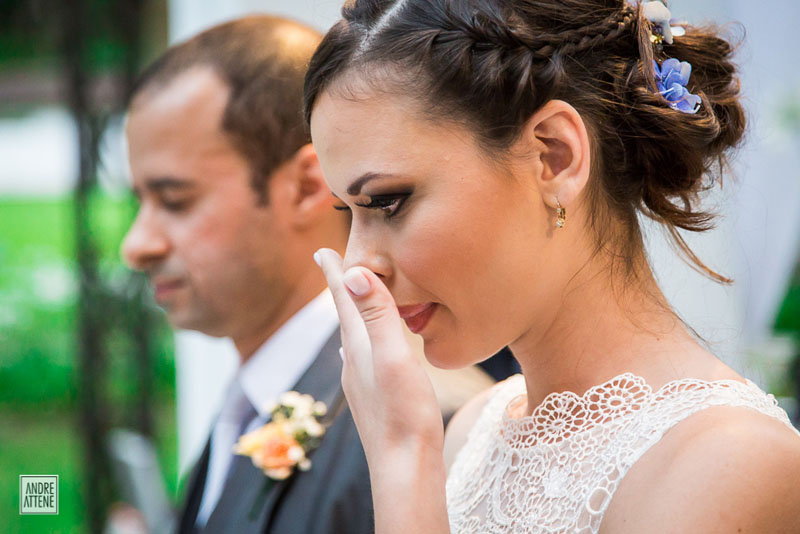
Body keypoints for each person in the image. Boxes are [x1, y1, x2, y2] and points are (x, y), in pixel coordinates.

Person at [305, 0, 800, 533]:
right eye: (346, 211)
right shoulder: (476, 429)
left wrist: (402, 456)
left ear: (554, 156)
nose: (359, 262)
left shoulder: (730, 462)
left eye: (388, 201)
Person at [120, 16, 374, 534]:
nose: (136, 246)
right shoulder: (251, 399)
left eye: (175, 200)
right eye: (140, 202)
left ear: (307, 186)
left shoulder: (396, 422)